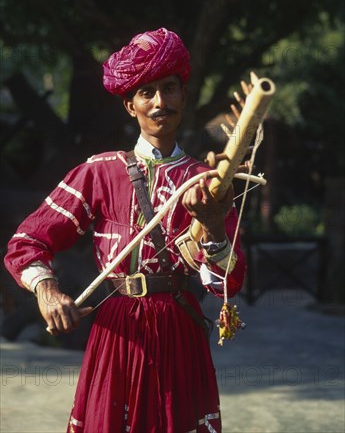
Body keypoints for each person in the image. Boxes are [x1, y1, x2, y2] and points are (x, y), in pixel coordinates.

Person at [5, 27, 246, 433]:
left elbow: (228, 284)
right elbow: (26, 242)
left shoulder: (208, 182)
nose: (159, 102)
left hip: (180, 333)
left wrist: (212, 226)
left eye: (170, 89)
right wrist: (47, 292)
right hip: (116, 333)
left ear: (184, 96)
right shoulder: (100, 171)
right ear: (129, 105)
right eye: (146, 93)